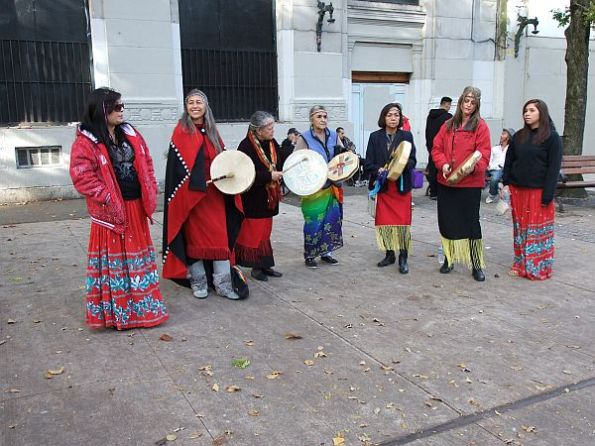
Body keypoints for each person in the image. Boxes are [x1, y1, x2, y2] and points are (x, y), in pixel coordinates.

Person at [69, 87, 168, 329]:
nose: (122, 111)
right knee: (117, 265)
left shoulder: (130, 133)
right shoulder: (86, 142)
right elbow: (82, 177)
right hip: (111, 214)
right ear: (102, 110)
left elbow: (146, 162)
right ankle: (120, 314)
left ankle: (143, 310)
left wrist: (150, 186)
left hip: (135, 208)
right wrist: (107, 197)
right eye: (117, 107)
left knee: (137, 261)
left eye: (122, 106)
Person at [162, 89, 244, 300]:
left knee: (220, 240)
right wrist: (196, 183)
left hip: (215, 196)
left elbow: (223, 161)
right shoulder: (181, 132)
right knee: (194, 241)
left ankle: (223, 285)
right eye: (191, 102)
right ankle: (199, 283)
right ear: (186, 107)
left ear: (206, 106)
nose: (195, 106)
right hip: (192, 198)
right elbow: (177, 170)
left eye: (199, 102)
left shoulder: (213, 132)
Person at [431, 86, 491, 282]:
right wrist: (443, 164)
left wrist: (471, 168)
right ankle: (449, 259)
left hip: (469, 185)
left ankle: (476, 264)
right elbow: (436, 148)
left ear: (477, 105)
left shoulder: (481, 127)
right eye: (466, 101)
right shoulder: (447, 125)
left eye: (473, 102)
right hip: (447, 182)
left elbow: (484, 154)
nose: (469, 105)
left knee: (472, 224)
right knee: (447, 222)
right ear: (461, 101)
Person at [501, 99, 562, 280]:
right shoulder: (519, 136)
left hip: (538, 192)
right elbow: (509, 161)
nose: (527, 114)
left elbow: (553, 168)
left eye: (532, 110)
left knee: (536, 231)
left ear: (541, 113)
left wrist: (548, 195)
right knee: (520, 230)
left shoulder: (552, 137)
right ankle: (520, 264)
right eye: (525, 110)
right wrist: (506, 182)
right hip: (518, 190)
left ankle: (537, 267)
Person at [364, 103, 417, 273]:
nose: (393, 118)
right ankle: (389, 254)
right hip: (384, 188)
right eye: (389, 115)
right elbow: (368, 163)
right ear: (383, 118)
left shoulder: (406, 136)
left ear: (400, 118)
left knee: (402, 224)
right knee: (384, 223)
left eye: (396, 115)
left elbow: (413, 160)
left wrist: (400, 166)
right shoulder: (375, 137)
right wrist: (379, 170)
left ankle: (403, 256)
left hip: (401, 188)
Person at [235, 111, 284, 281]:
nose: (272, 130)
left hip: (269, 197)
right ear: (258, 130)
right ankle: (256, 267)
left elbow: (280, 159)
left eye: (272, 127)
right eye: (269, 128)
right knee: (254, 233)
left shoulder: (272, 143)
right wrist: (269, 176)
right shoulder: (245, 147)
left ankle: (265, 264)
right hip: (254, 198)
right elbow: (244, 175)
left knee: (265, 233)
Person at [295, 105, 343, 268]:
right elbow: (297, 161)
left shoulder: (334, 136)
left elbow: (342, 157)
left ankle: (326, 253)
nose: (323, 120)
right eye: (319, 116)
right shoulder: (304, 138)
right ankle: (310, 254)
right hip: (313, 188)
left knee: (331, 220)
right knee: (313, 222)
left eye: (325, 116)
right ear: (311, 119)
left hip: (331, 186)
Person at [425, 96, 453, 200]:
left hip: (431, 145)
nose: (449, 107)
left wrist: (429, 144)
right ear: (446, 104)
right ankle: (441, 191)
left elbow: (427, 131)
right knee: (442, 168)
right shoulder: (448, 117)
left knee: (432, 169)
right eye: (449, 105)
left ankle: (433, 192)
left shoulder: (430, 116)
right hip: (443, 147)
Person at [485, 128, 514, 203]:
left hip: (501, 169)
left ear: (508, 137)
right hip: (491, 168)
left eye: (504, 134)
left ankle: (492, 194)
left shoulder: (510, 149)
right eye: (502, 134)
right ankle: (497, 186)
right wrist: (489, 166)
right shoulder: (495, 148)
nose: (501, 135)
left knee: (495, 178)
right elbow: (489, 158)